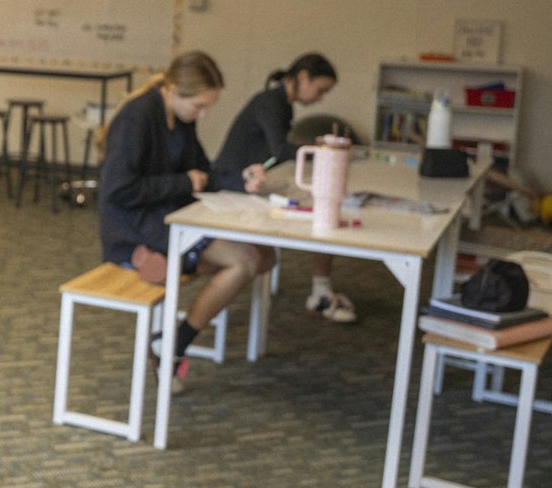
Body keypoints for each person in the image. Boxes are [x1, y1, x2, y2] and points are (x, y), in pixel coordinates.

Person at [96, 51, 275, 385]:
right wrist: (181, 183)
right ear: (173, 90)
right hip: (135, 229)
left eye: (208, 106)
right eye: (199, 106)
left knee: (266, 256)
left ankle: (170, 332)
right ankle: (173, 345)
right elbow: (117, 190)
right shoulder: (138, 118)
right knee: (245, 259)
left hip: (167, 219)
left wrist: (242, 181)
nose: (203, 115)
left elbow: (203, 173)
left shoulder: (180, 118)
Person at [210, 52, 357, 323]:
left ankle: (321, 289)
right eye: (320, 89)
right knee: (321, 208)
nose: (320, 98)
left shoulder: (281, 103)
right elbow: (280, 149)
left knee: (321, 203)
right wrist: (324, 151)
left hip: (252, 181)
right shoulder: (270, 102)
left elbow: (277, 151)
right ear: (303, 77)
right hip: (232, 185)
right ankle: (320, 291)